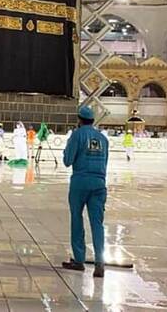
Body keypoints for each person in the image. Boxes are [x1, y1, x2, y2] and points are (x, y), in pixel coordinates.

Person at [61, 105, 109, 278]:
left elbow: (68, 160)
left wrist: (66, 150)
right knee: (97, 224)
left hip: (80, 183)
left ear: (79, 120)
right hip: (99, 184)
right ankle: (100, 262)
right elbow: (105, 162)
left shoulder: (77, 135)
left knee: (77, 219)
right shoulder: (103, 139)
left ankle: (79, 260)